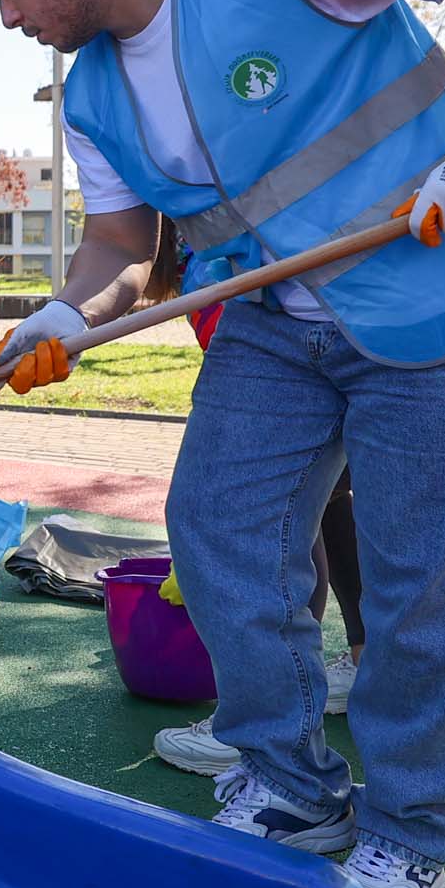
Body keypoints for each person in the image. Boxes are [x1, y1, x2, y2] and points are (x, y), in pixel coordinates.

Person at [0, 0, 445, 888]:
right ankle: (288, 787)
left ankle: (410, 834)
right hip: (282, 324)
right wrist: (65, 316)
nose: (7, 18)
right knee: (219, 527)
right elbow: (119, 249)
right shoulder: (91, 95)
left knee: (427, 581)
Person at [121, 220, 368, 777]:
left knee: (289, 512)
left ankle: (267, 712)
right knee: (327, 499)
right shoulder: (202, 250)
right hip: (340, 312)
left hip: (321, 315)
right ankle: (356, 663)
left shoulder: (212, 250)